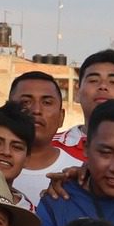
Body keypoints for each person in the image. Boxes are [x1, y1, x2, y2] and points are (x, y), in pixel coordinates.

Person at [7, 70, 79, 205]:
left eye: (46, 102)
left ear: (61, 117)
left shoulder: (78, 174)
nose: (36, 110)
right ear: (6, 111)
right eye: (26, 102)